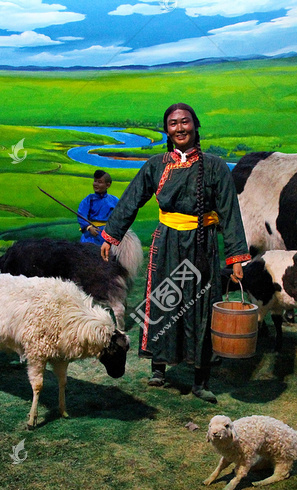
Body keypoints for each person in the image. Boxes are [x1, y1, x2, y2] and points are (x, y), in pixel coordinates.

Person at [99, 103, 250, 402]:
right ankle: (159, 366)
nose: (180, 128)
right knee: (165, 302)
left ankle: (200, 379)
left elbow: (230, 214)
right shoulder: (156, 165)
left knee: (201, 307)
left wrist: (236, 258)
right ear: (166, 130)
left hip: (203, 243)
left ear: (195, 126)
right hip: (167, 241)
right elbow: (131, 200)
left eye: (185, 122)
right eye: (173, 123)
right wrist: (112, 235)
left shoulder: (216, 167)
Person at [78, 170, 119, 244]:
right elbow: (81, 215)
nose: (96, 184)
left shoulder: (114, 200)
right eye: (95, 181)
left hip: (108, 236)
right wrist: (89, 228)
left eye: (99, 182)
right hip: (91, 236)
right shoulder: (88, 200)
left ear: (107, 185)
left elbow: (120, 216)